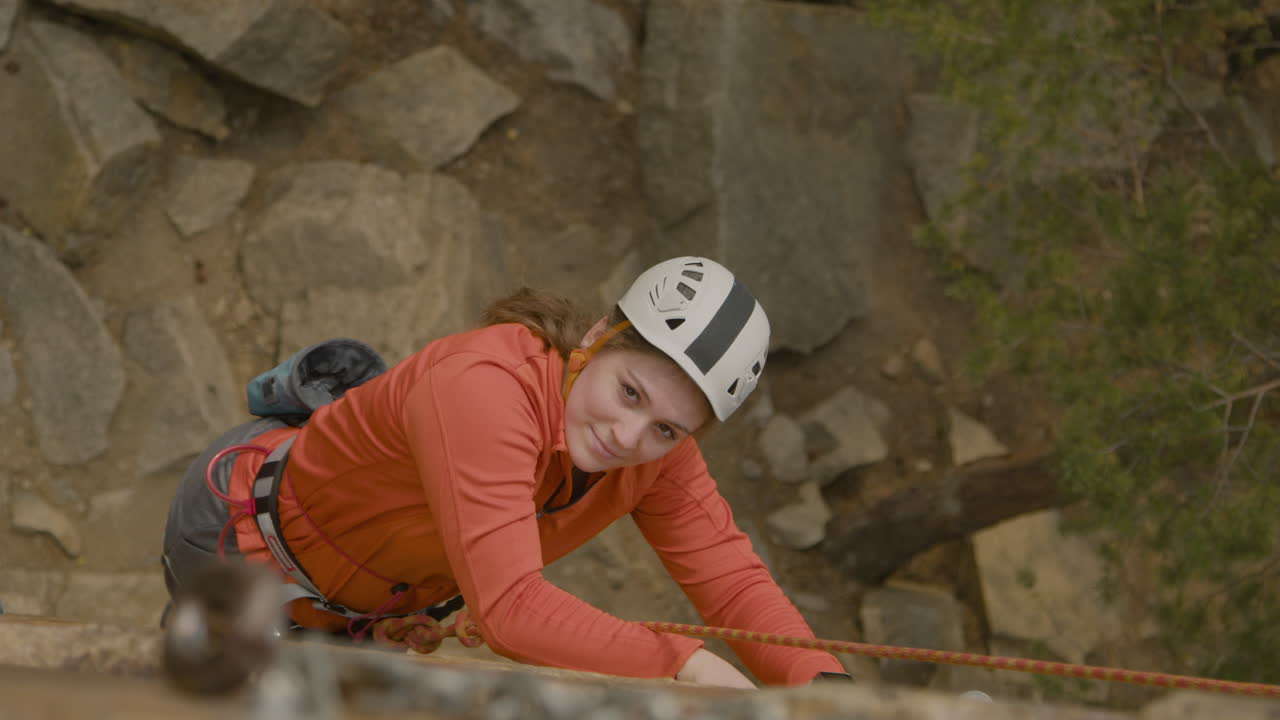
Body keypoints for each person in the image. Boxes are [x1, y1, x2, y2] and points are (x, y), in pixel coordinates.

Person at [161, 256, 849, 688]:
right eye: (630, 392)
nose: (627, 436)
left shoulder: (661, 459)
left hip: (371, 610)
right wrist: (682, 663)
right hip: (241, 541)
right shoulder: (486, 386)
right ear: (595, 339)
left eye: (667, 429)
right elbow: (510, 609)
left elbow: (731, 582)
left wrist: (826, 688)